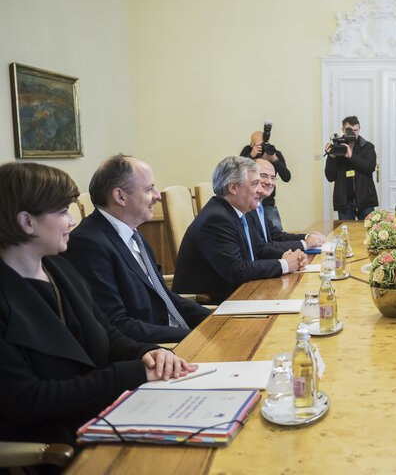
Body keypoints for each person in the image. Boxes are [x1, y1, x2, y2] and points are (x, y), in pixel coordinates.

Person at [0, 162, 195, 448]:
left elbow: (108, 335)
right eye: (63, 211)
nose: (72, 221)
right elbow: (28, 400)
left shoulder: (59, 269)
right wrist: (132, 373)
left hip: (107, 414)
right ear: (27, 222)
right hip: (60, 441)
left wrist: (148, 354)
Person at [63, 155, 211, 343]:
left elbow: (162, 295)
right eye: (149, 189)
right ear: (120, 196)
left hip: (176, 338)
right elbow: (117, 325)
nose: (157, 196)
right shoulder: (88, 245)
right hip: (155, 350)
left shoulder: (134, 234)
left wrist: (215, 321)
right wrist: (196, 336)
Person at [173, 156, 307, 304]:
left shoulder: (236, 212)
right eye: (255, 183)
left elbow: (257, 249)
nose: (260, 189)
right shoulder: (216, 219)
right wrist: (284, 264)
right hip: (209, 306)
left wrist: (289, 257)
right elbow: (237, 271)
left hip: (240, 295)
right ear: (233, 187)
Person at [246, 159, 325, 251]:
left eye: (272, 178)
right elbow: (260, 248)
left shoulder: (260, 206)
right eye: (264, 176)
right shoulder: (246, 208)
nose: (269, 182)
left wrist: (307, 237)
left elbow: (276, 235)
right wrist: (305, 244)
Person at [324, 116, 379, 219]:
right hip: (345, 202)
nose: (353, 133)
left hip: (365, 200)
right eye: (350, 130)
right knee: (346, 232)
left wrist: (351, 157)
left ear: (359, 129)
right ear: (343, 130)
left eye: (356, 130)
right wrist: (331, 157)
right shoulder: (337, 147)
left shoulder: (367, 147)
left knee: (369, 231)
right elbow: (330, 177)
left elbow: (370, 167)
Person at [240, 128, 291, 230]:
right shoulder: (248, 151)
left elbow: (287, 177)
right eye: (258, 145)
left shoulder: (274, 152)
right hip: (248, 202)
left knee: (276, 231)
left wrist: (275, 160)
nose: (262, 147)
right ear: (251, 145)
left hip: (268, 203)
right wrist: (251, 156)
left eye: (264, 144)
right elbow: (238, 172)